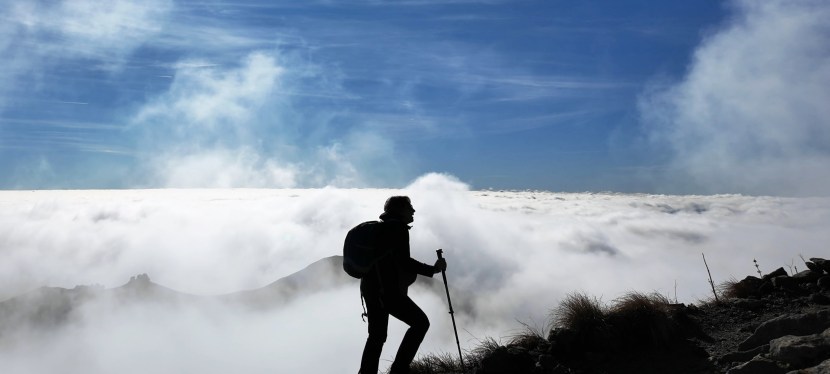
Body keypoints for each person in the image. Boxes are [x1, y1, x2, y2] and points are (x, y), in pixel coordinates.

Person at [359, 196, 447, 374]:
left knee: (376, 336)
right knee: (420, 323)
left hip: (370, 289)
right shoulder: (397, 229)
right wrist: (433, 269)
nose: (413, 211)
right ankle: (399, 369)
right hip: (387, 291)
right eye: (410, 207)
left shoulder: (381, 229)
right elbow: (404, 262)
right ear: (399, 210)